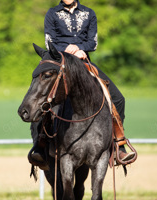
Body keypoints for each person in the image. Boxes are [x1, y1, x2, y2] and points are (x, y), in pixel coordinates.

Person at [30, 0, 135, 167]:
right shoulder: (52, 13)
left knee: (118, 99)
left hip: (84, 61)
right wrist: (67, 52)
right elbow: (49, 42)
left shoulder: (89, 13)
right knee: (46, 99)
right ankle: (41, 145)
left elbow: (93, 41)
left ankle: (118, 144)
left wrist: (79, 49)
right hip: (61, 63)